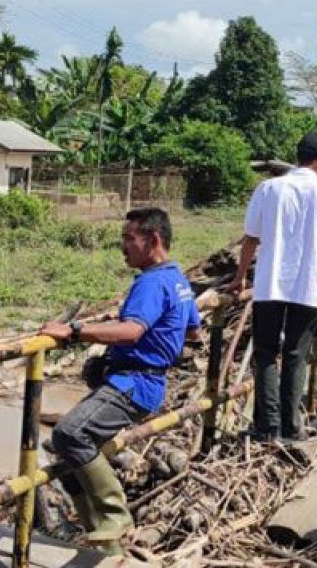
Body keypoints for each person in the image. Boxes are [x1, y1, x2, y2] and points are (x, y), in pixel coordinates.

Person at [40, 207, 199, 555]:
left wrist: (74, 331)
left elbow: (131, 331)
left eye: (129, 238)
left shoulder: (152, 282)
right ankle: (104, 543)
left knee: (69, 434)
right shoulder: (177, 279)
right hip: (147, 382)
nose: (123, 246)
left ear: (153, 240)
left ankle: (114, 514)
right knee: (68, 462)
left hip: (134, 384)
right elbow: (194, 329)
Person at [228, 132, 317, 443]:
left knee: (266, 353)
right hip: (308, 288)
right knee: (297, 354)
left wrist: (241, 276)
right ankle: (291, 427)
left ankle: (267, 428)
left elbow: (251, 239)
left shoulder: (268, 189)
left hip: (269, 285)